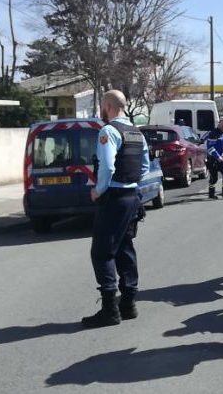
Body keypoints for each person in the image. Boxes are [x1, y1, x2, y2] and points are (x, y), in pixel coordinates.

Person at [81, 90, 150, 329]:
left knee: (102, 253)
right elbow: (144, 167)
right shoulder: (137, 133)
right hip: (132, 198)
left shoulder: (108, 131)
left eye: (102, 105)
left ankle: (110, 310)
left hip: (114, 199)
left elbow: (108, 166)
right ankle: (128, 303)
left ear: (108, 106)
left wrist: (98, 190)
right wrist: (130, 182)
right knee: (124, 248)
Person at [206, 119, 223, 199]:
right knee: (214, 178)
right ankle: (211, 194)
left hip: (221, 158)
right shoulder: (213, 134)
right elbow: (210, 148)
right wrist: (218, 157)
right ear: (219, 125)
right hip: (212, 159)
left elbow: (222, 147)